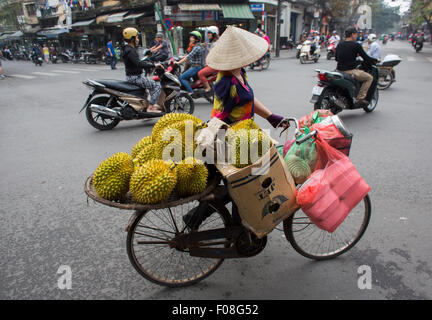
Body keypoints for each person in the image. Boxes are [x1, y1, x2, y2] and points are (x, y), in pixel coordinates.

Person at [183, 26, 286, 229]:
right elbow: (220, 115)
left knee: (248, 184)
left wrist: (271, 117)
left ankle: (235, 224)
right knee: (243, 186)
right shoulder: (225, 81)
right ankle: (236, 228)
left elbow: (248, 99)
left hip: (244, 135)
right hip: (230, 139)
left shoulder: (240, 72)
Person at [335, 27, 378, 107]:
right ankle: (360, 98)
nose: (356, 36)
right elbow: (366, 58)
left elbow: (337, 58)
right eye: (356, 34)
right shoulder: (356, 45)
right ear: (352, 34)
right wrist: (375, 61)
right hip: (350, 71)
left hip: (338, 70)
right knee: (369, 78)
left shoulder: (340, 44)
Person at [121, 27, 162, 113]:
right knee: (157, 86)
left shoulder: (127, 49)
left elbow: (137, 61)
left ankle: (144, 108)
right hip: (135, 77)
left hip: (131, 76)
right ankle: (151, 107)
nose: (137, 39)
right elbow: (139, 64)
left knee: (146, 92)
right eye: (136, 37)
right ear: (132, 39)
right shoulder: (130, 51)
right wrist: (154, 65)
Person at [197, 26, 219, 92]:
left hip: (214, 65)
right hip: (211, 64)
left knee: (200, 73)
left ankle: (208, 87)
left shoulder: (216, 44)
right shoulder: (212, 43)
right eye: (208, 33)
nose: (208, 34)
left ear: (214, 34)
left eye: (210, 33)